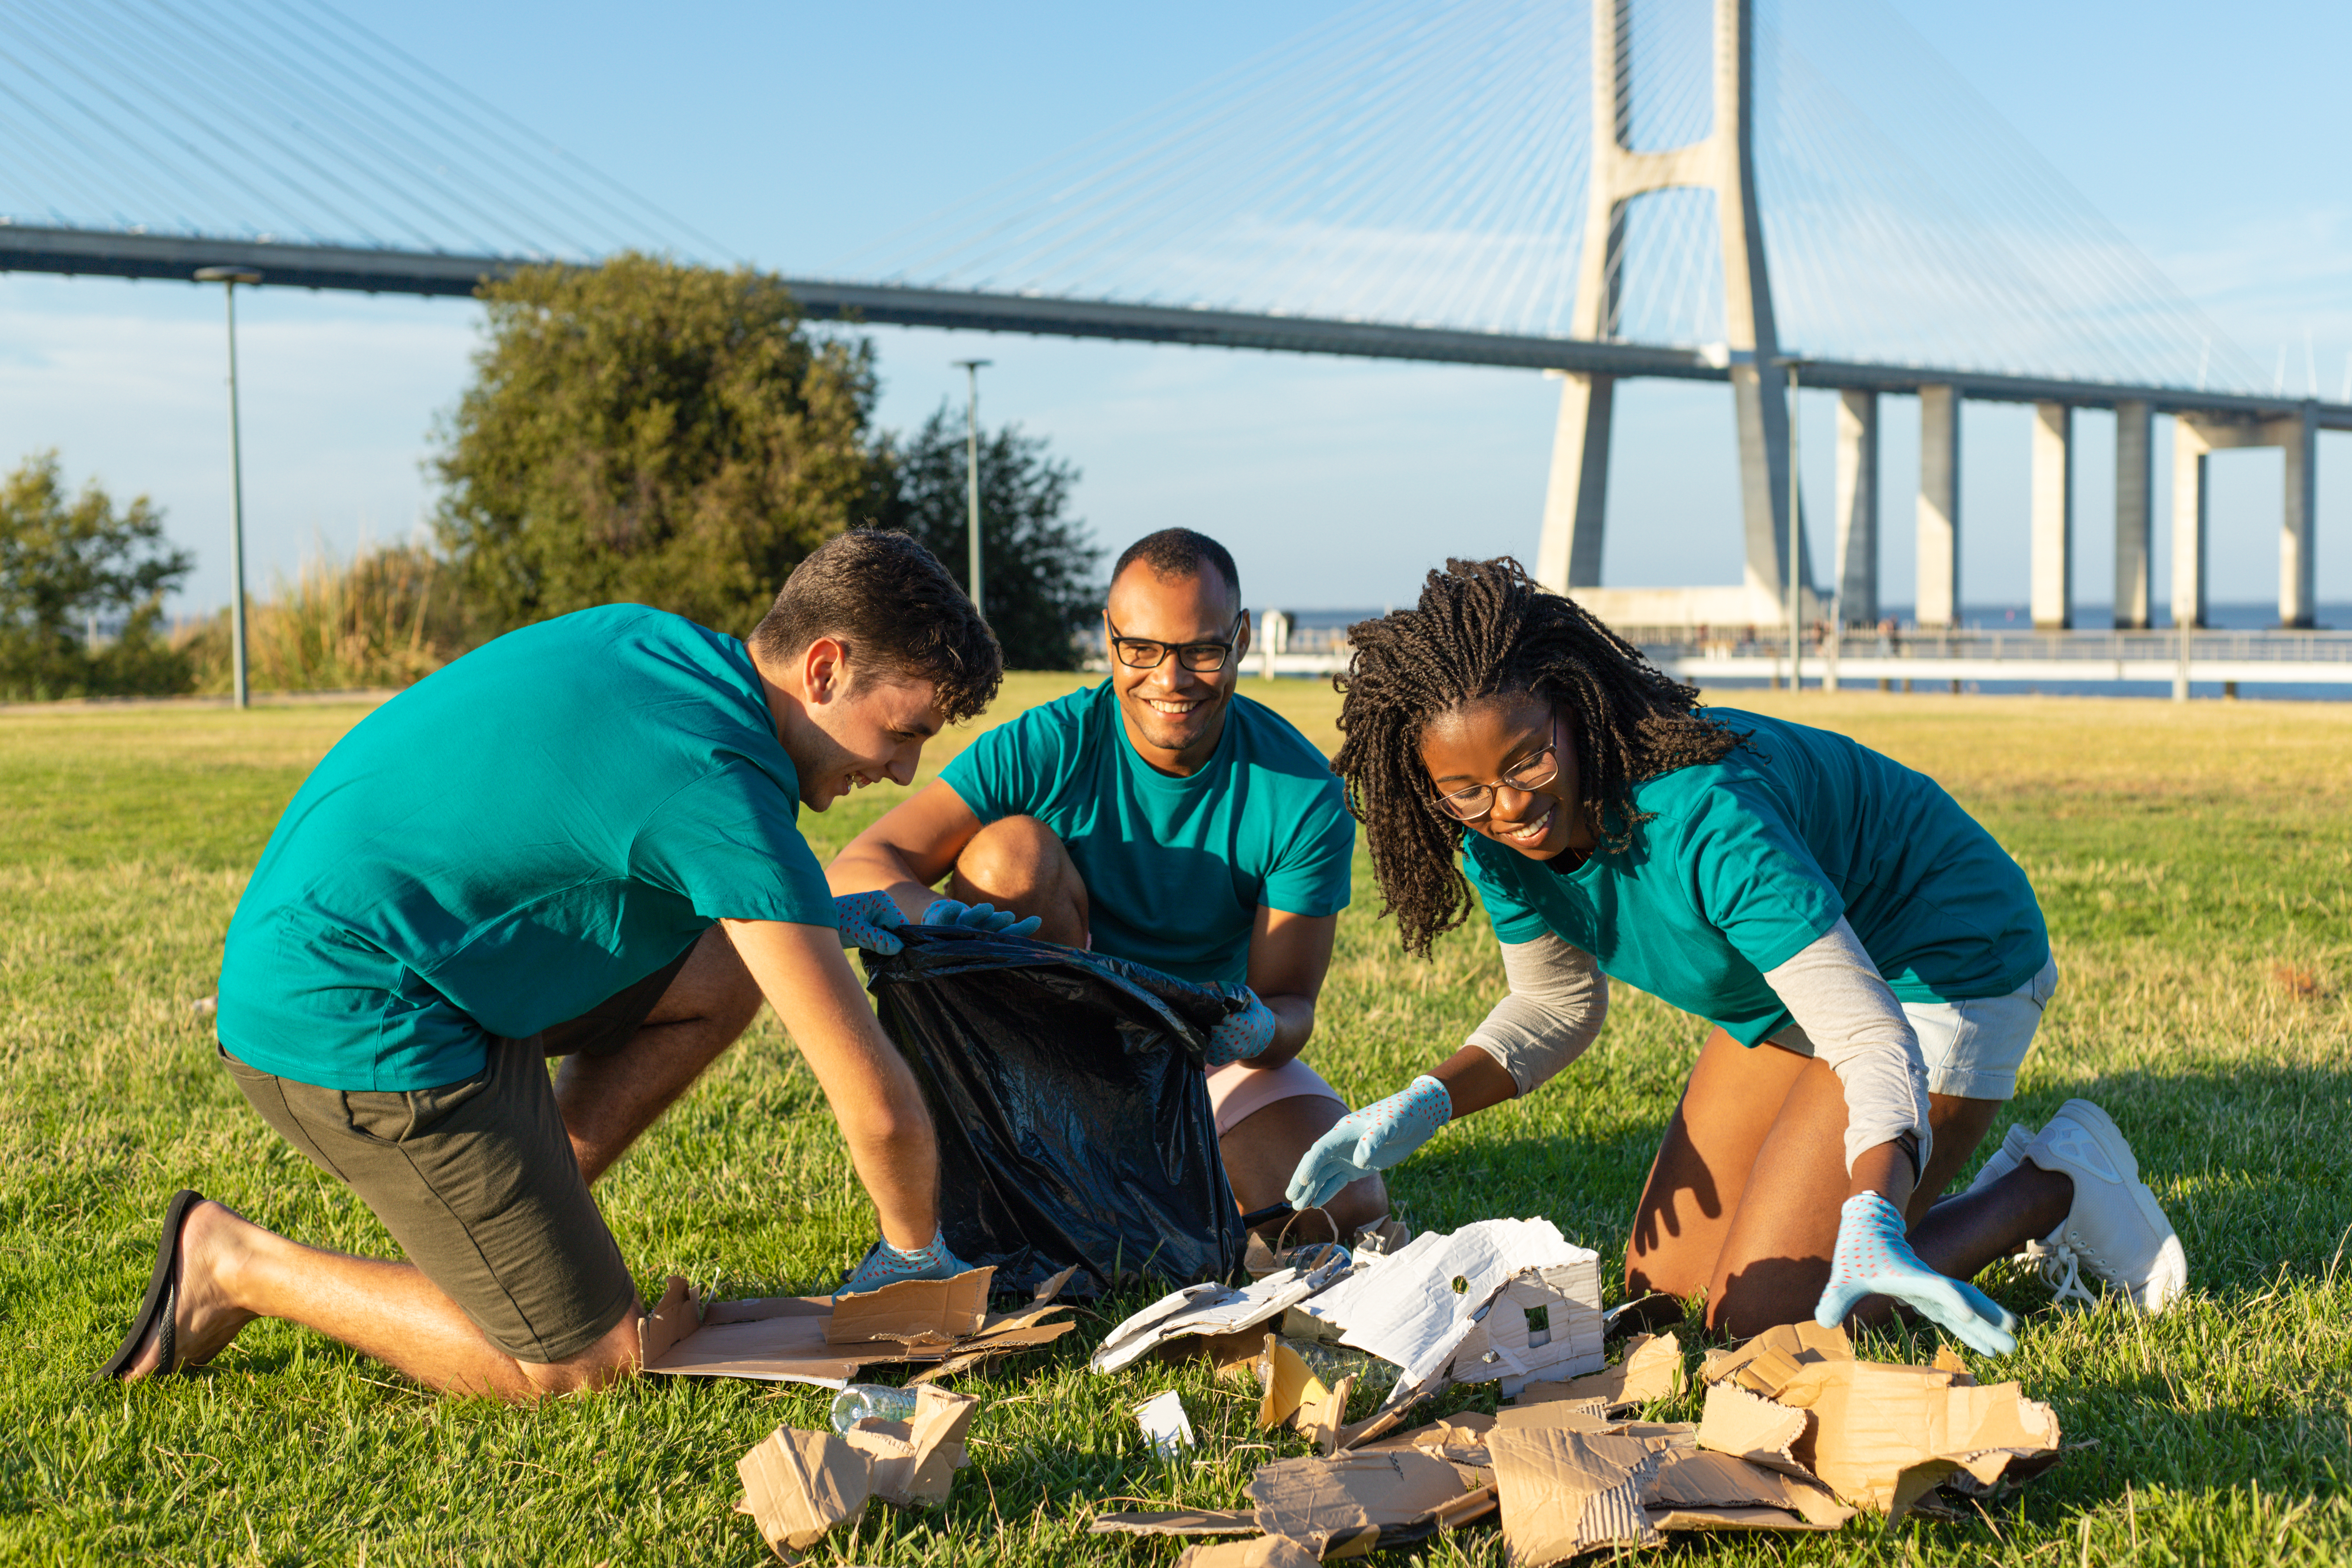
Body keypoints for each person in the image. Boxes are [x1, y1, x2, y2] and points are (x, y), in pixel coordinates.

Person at [101, 530, 1001, 1401]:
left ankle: (518, 1238)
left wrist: (831, 918)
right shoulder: (718, 788)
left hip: (389, 955)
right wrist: (915, 1264)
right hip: (347, 1012)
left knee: (730, 965)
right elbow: (877, 1107)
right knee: (588, 1367)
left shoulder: (657, 644)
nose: (903, 771)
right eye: (902, 732)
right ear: (824, 668)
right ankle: (236, 1263)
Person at [1287, 557, 2187, 1346]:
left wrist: (1874, 1211)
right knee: (1665, 1294)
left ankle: (2049, 1187)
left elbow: (1870, 1038)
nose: (1509, 807)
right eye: (1466, 790)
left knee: (1767, 1320)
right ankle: (1900, 1201)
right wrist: (1425, 1102)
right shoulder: (1494, 842)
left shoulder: (1706, 820)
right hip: (1794, 983)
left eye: (1528, 762)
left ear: (1572, 709)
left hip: (1942, 956)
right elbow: (1556, 1005)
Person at [828, 528, 1381, 1238]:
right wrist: (939, 916)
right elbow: (860, 865)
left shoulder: (1302, 792)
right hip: (1048, 1058)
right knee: (1007, 857)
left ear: (1241, 639)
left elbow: (1290, 1006)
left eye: (1201, 651)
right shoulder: (1052, 743)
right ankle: (1044, 1149)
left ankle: (1137, 1172)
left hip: (1195, 1054)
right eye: (1141, 649)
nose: (1170, 680)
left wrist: (1257, 1025)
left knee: (1345, 1204)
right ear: (1110, 638)